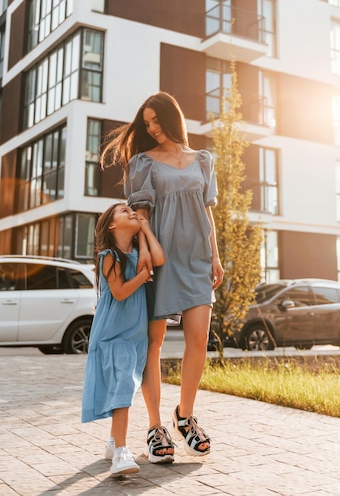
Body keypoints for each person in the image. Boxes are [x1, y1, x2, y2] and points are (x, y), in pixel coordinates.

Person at [101, 91, 224, 463]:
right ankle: (156, 426)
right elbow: (141, 214)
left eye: (156, 121)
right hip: (160, 261)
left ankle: (184, 415)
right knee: (153, 343)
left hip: (198, 259)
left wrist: (216, 257)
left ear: (172, 119)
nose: (152, 128)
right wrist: (146, 258)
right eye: (147, 122)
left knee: (199, 338)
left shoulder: (202, 160)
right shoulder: (143, 163)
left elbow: (207, 211)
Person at [81, 201, 165, 477]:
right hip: (113, 334)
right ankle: (120, 452)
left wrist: (146, 229)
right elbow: (118, 292)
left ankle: (112, 443)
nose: (131, 212)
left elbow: (160, 258)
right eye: (124, 212)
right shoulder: (109, 255)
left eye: (132, 211)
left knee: (123, 387)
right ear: (112, 225)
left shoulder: (140, 252)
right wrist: (143, 276)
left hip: (134, 335)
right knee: (123, 389)